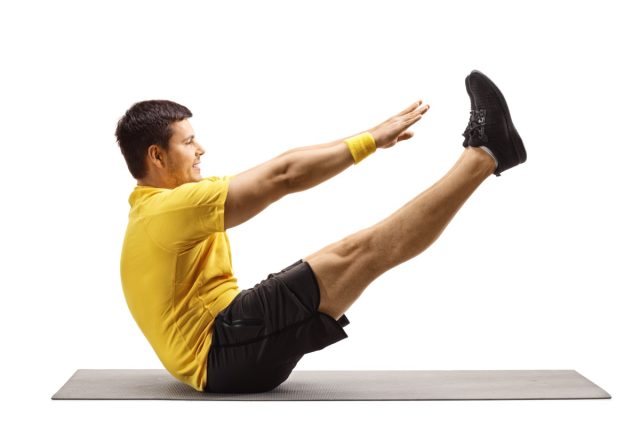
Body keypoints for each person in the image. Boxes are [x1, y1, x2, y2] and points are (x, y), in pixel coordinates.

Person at [115, 70, 526, 393]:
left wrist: (368, 139)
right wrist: (370, 140)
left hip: (226, 348)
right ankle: (485, 155)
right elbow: (284, 177)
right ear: (157, 156)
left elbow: (283, 165)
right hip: (222, 352)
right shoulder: (169, 210)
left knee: (360, 251)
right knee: (360, 251)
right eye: (188, 142)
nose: (200, 149)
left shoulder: (158, 207)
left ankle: (487, 154)